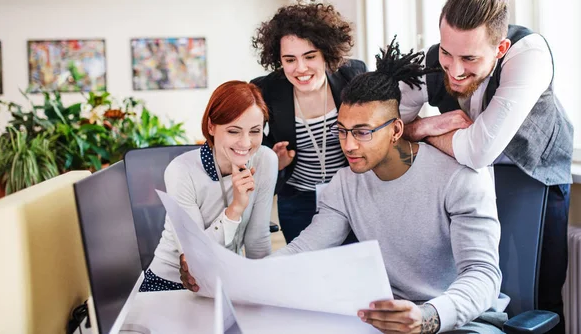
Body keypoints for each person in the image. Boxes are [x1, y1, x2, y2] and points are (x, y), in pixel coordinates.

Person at [181, 41, 505, 334]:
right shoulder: (347, 183)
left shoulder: (459, 176)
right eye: (342, 131)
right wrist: (225, 275)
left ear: (395, 130)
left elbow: (483, 276)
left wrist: (428, 317)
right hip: (383, 321)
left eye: (362, 132)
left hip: (462, 322)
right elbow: (302, 250)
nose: (348, 145)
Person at [398, 0, 573, 332]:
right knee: (476, 289)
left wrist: (424, 137)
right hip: (470, 181)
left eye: (470, 59)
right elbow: (392, 127)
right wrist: (426, 125)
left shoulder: (531, 55)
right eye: (447, 52)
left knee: (537, 299)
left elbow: (478, 151)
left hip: (534, 177)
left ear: (500, 49)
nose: (455, 70)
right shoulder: (437, 59)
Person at [142, 80, 278, 292]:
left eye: (254, 131)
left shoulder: (265, 160)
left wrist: (265, 290)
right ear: (211, 127)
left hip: (227, 279)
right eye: (234, 131)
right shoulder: (181, 170)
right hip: (173, 282)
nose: (245, 143)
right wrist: (235, 209)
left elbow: (257, 241)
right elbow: (195, 255)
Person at [251, 0, 367, 243]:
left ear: (327, 52)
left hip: (353, 194)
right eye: (290, 59)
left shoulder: (352, 76)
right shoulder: (267, 89)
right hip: (298, 200)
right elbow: (251, 141)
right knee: (307, 271)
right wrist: (273, 160)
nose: (300, 68)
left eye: (310, 56)